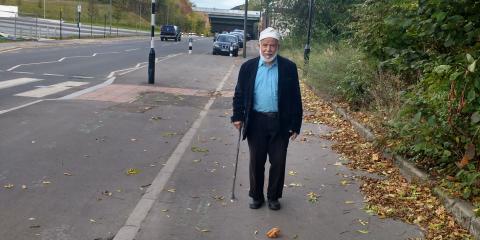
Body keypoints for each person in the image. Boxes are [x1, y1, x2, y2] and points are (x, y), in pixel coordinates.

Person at [231, 27, 303, 210]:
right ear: (259, 46)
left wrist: (296, 124)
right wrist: (237, 116)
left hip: (280, 122)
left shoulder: (289, 68)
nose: (268, 49)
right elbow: (239, 94)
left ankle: (273, 197)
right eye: (265, 45)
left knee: (278, 162)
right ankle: (256, 196)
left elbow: (296, 97)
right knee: (256, 161)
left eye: (272, 45)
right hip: (256, 121)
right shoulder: (248, 67)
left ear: (278, 46)